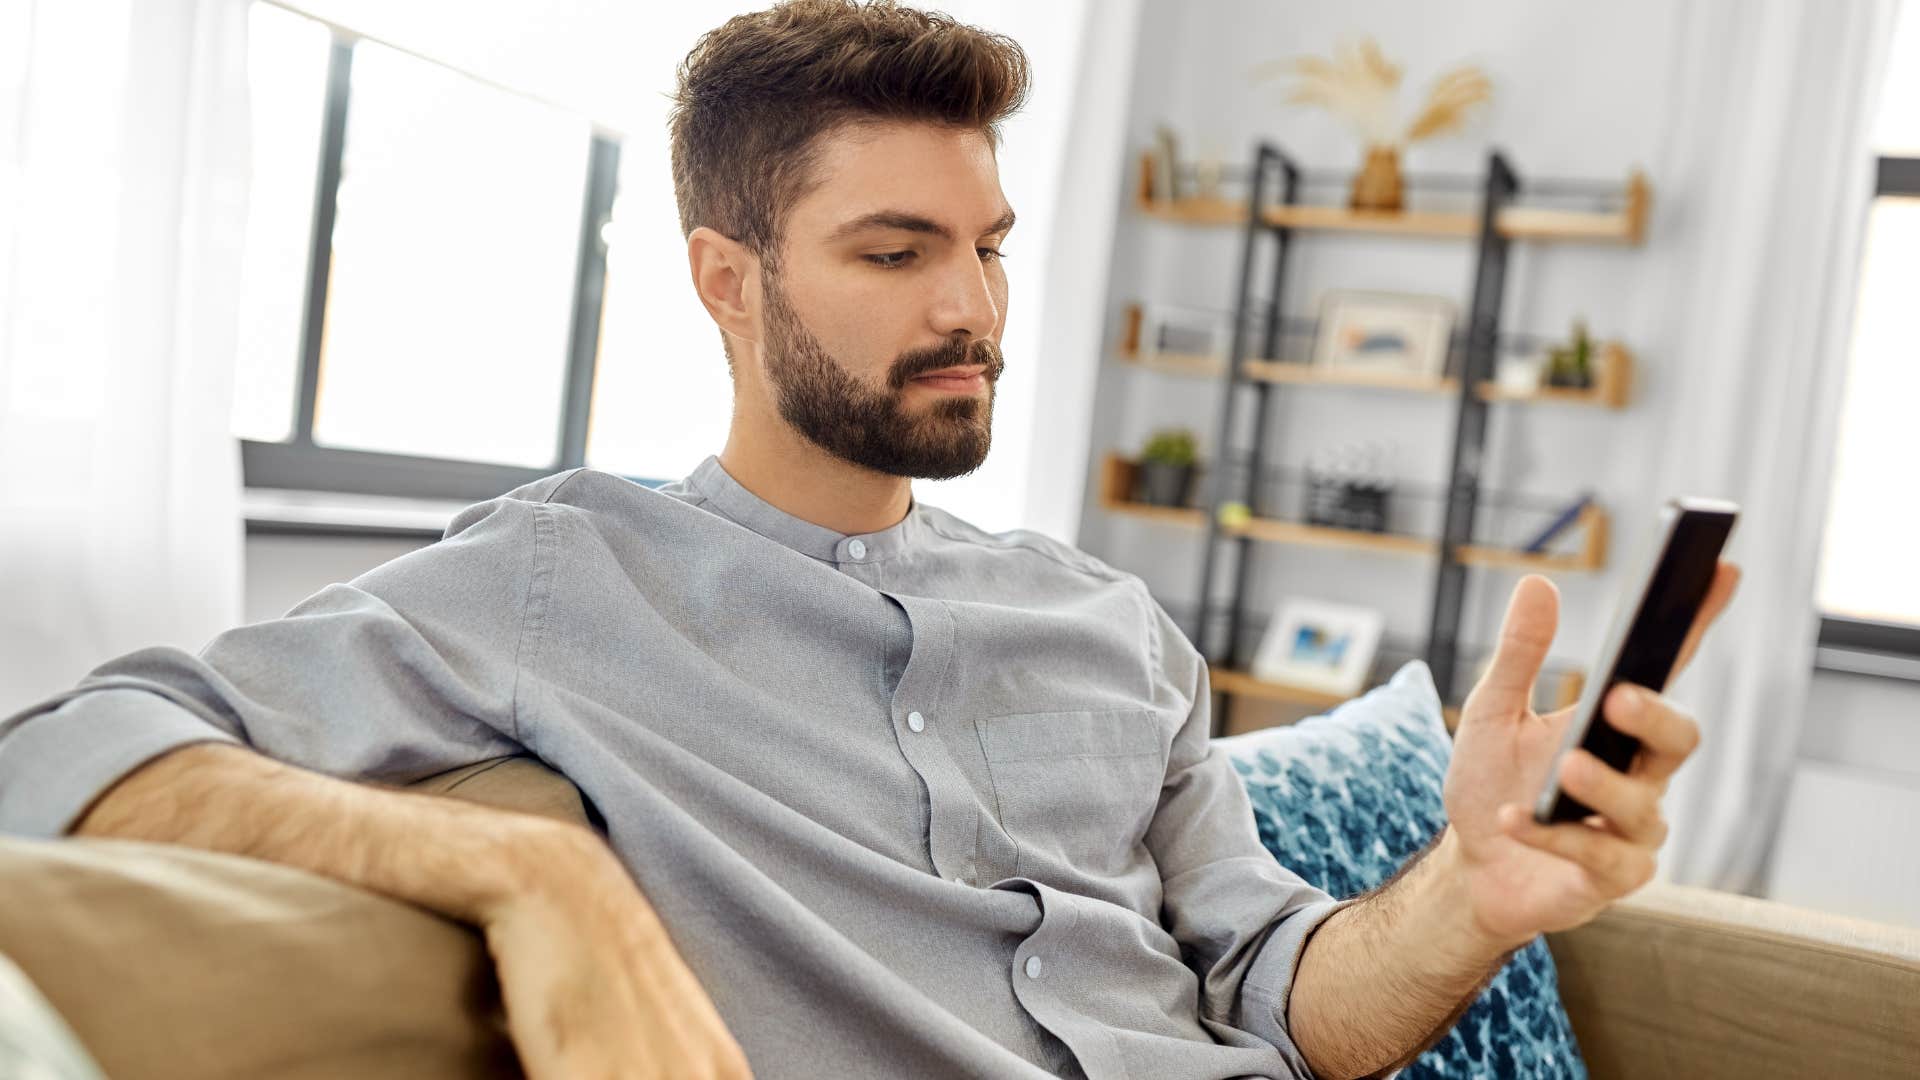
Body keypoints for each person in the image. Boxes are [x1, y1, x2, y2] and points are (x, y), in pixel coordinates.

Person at [0, 2, 1740, 1077]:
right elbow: (66, 745)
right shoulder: (560, 580)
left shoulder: (1110, 622)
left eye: (989, 245)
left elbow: (1293, 1004)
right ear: (725, 279)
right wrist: (529, 873)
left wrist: (1473, 897)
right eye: (897, 252)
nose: (975, 305)